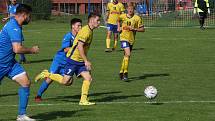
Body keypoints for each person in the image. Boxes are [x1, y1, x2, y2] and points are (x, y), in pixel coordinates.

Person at [35, 13, 101, 105]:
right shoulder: (82, 32)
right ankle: (45, 78)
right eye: (97, 20)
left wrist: (84, 60)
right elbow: (78, 47)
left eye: (80, 25)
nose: (99, 22)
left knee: (86, 78)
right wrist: (86, 60)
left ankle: (83, 100)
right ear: (92, 20)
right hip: (69, 60)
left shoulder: (88, 31)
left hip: (78, 60)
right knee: (63, 81)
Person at [0, 4, 39, 121]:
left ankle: (21, 116)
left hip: (10, 63)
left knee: (26, 82)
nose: (30, 18)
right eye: (29, 16)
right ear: (24, 15)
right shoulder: (14, 27)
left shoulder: (14, 22)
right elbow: (17, 49)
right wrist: (32, 50)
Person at [34, 18, 82, 102]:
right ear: (73, 26)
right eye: (78, 25)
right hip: (59, 61)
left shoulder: (79, 37)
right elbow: (65, 49)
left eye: (81, 25)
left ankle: (46, 74)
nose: (80, 27)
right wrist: (77, 48)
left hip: (68, 63)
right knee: (50, 79)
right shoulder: (68, 36)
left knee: (69, 82)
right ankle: (38, 95)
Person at [118, 3, 145, 81]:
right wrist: (118, 27)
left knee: (126, 56)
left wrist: (134, 29)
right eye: (129, 9)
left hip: (131, 39)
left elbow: (143, 29)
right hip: (123, 38)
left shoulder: (137, 18)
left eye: (132, 9)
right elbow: (118, 20)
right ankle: (125, 73)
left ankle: (121, 72)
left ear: (134, 10)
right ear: (127, 9)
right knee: (128, 54)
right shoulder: (122, 16)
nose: (130, 10)